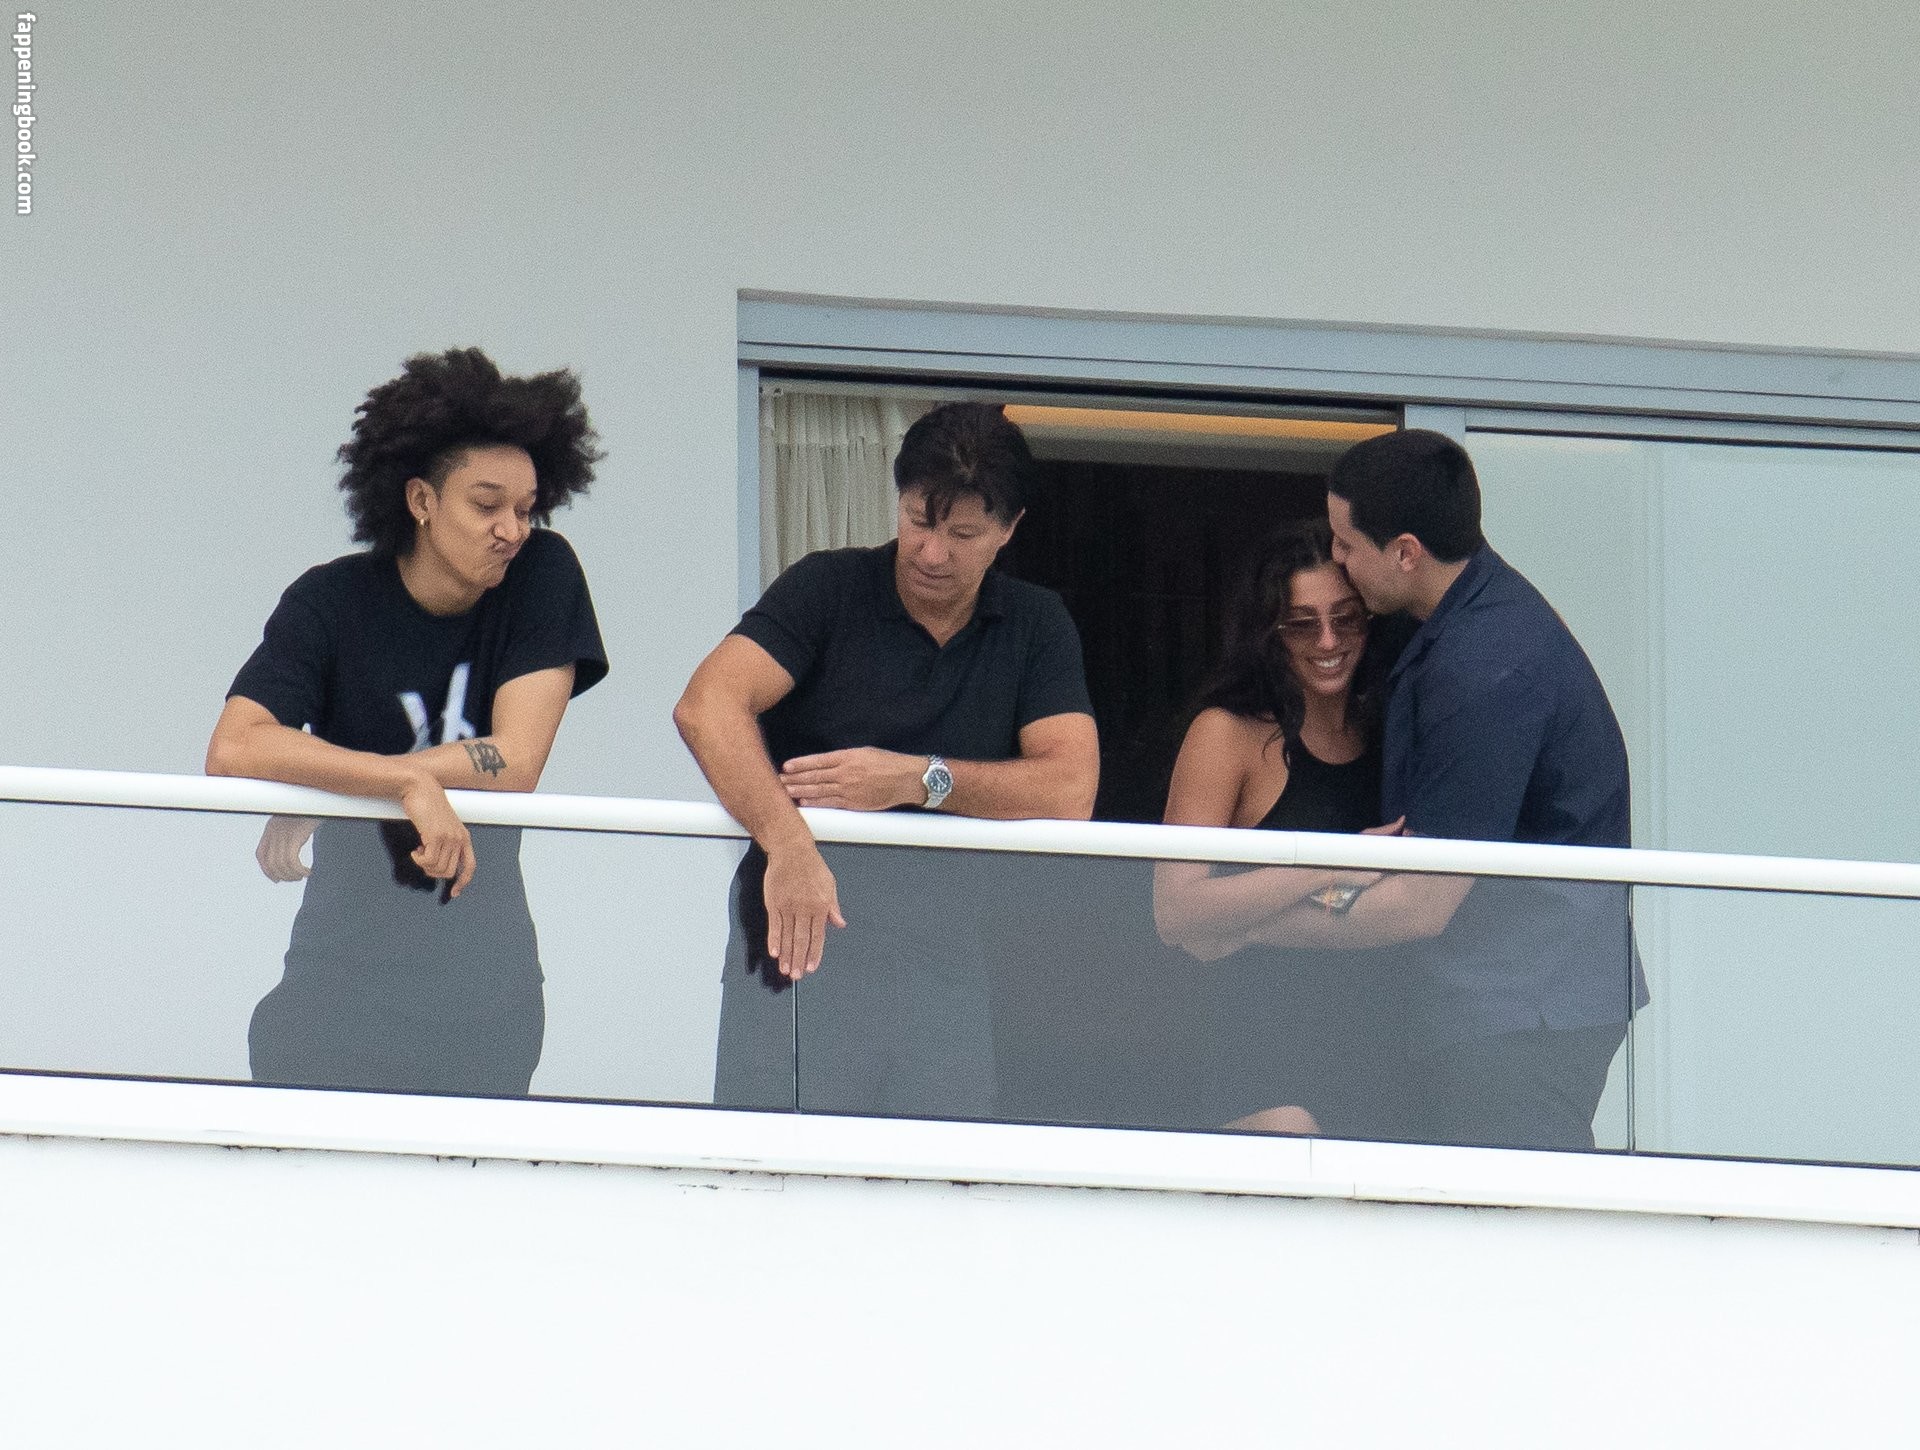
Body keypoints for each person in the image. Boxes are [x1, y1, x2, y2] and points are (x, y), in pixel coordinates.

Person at [674, 401, 1099, 1116]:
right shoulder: (829, 587)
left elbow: (1070, 789)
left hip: (951, 967)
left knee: (933, 1180)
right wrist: (789, 845)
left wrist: (914, 778)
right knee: (777, 1175)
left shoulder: (1035, 624)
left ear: (1008, 530)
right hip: (797, 947)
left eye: (962, 534)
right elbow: (706, 706)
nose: (931, 553)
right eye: (917, 521)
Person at [206, 347, 609, 1096]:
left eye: (525, 509)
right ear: (421, 500)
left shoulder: (541, 575)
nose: (513, 529)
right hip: (337, 982)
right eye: (486, 505)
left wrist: (342, 784)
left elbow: (517, 760)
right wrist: (401, 786)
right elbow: (234, 746)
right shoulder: (331, 601)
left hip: (484, 992)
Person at [1251, 428, 1642, 1151]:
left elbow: (1422, 903)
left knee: (1509, 1211)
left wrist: (1242, 925)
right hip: (1514, 996)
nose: (1337, 558)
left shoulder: (1485, 664)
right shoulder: (1463, 618)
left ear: (1405, 552)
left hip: (1520, 1007)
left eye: (1346, 543)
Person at [1155, 519, 1416, 1139]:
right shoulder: (1228, 733)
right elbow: (1175, 909)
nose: (1328, 640)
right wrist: (1330, 862)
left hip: (1383, 1042)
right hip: (1260, 1053)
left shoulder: (1392, 727)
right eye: (1302, 624)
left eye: (1346, 618)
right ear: (1268, 633)